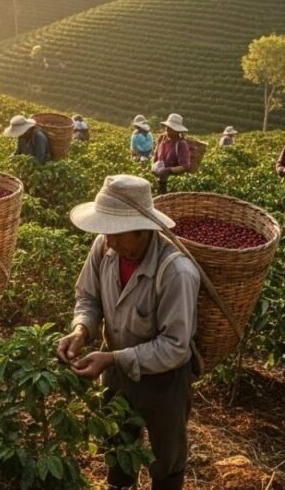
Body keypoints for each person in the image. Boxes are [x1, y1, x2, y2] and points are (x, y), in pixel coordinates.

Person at [58, 174, 199, 490]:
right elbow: (88, 297)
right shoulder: (104, 247)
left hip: (164, 381)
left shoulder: (176, 272)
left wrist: (111, 358)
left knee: (166, 456)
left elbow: (175, 347)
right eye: (106, 232)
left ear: (144, 229)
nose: (109, 241)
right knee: (119, 444)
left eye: (117, 234)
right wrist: (81, 329)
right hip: (116, 372)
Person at [151, 113, 191, 195]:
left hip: (170, 181)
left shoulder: (181, 144)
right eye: (167, 128)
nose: (168, 130)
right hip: (158, 177)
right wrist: (153, 165)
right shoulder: (162, 138)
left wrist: (168, 170)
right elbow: (155, 155)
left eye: (171, 129)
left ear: (177, 131)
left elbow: (185, 166)